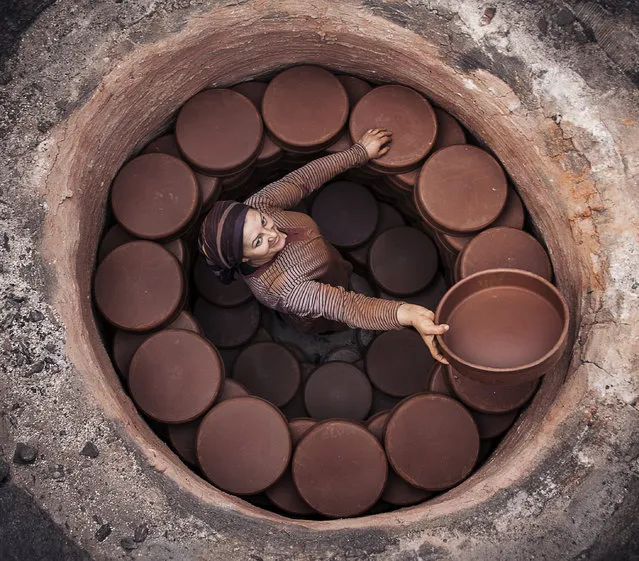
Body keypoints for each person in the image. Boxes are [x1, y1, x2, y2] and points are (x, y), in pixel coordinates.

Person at [200, 128, 449, 363]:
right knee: (329, 321)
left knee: (342, 275)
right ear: (244, 258)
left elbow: (303, 180)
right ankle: (327, 334)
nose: (272, 233)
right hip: (312, 309)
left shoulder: (259, 204)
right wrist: (408, 315)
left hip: (331, 263)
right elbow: (345, 306)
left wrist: (359, 152)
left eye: (263, 222)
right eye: (258, 241)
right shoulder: (286, 289)